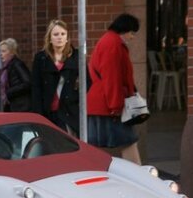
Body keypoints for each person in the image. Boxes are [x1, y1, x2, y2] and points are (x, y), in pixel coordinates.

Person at [87, 13, 142, 164]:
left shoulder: (109, 41)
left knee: (98, 147)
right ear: (125, 29)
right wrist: (116, 106)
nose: (132, 37)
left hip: (101, 103)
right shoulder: (114, 44)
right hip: (109, 105)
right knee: (129, 142)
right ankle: (140, 180)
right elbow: (112, 78)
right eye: (132, 33)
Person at [31, 19, 83, 136]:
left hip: (68, 111)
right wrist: (37, 114)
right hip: (47, 111)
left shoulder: (76, 57)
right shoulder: (41, 58)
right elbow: (36, 87)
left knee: (68, 145)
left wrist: (75, 97)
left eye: (63, 34)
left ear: (67, 38)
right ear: (50, 38)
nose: (59, 37)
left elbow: (87, 81)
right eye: (56, 34)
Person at [0, 38, 32, 112]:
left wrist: (10, 91)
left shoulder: (17, 64)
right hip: (14, 104)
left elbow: (28, 82)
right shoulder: (7, 67)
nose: (0, 54)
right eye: (0, 51)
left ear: (12, 52)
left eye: (3, 51)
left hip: (21, 106)